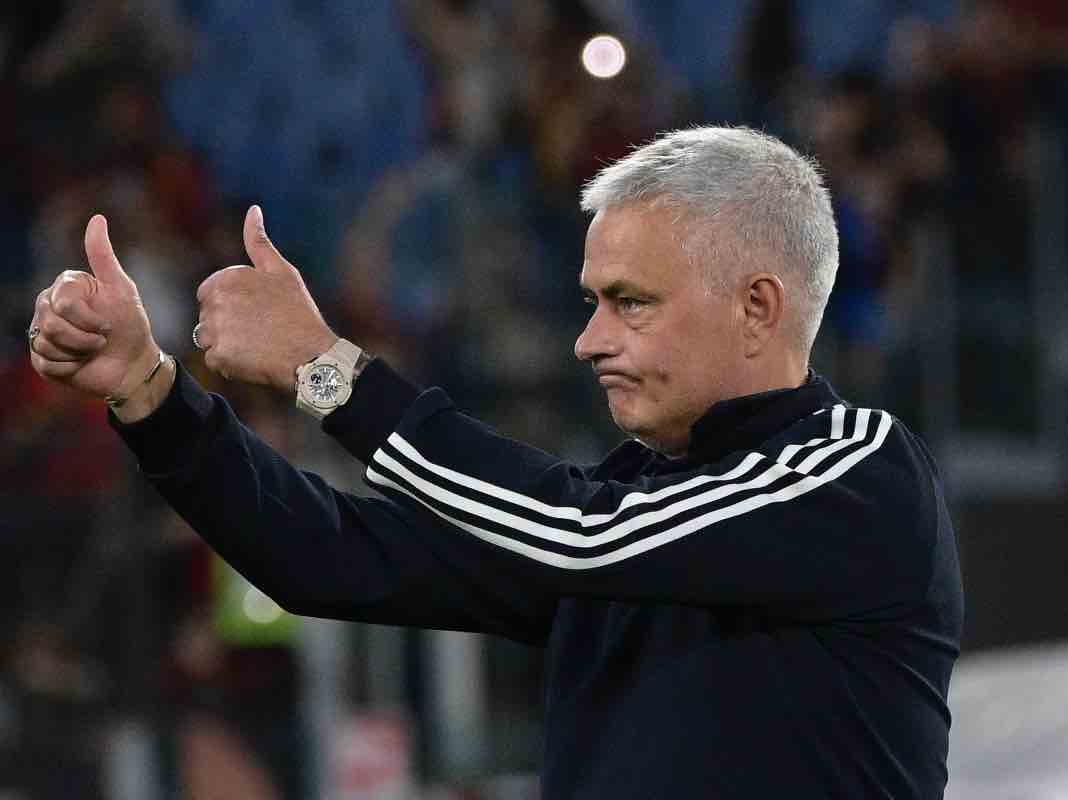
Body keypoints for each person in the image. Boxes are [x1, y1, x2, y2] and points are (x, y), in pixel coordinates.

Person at [28, 126, 963, 799]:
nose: (589, 341)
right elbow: (328, 555)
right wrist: (150, 393)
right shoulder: (631, 499)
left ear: (758, 307)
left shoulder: (857, 471)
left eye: (631, 302)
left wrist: (329, 372)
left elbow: (582, 536)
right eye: (592, 302)